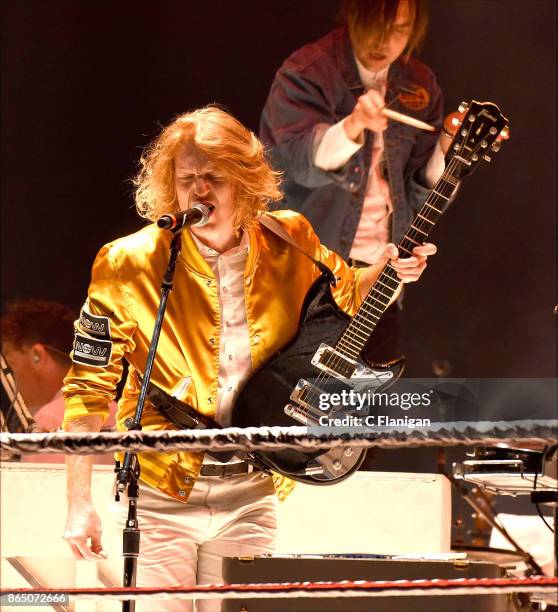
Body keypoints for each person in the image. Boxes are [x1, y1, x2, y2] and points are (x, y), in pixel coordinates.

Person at [62, 106, 436, 611]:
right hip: (159, 491)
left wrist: (392, 268)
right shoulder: (127, 263)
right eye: (186, 177)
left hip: (252, 489)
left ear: (242, 179)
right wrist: (78, 502)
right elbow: (88, 386)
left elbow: (346, 291)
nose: (199, 190)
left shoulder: (291, 237)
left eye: (213, 176)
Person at [260, 0, 459, 364]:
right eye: (377, 26)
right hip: (310, 278)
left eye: (400, 30)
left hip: (380, 275)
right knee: (285, 402)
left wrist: (448, 148)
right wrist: (353, 126)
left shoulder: (420, 84)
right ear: (353, 14)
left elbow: (419, 190)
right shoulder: (307, 71)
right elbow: (295, 162)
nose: (385, 41)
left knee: (365, 408)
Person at [1, 298, 115, 463]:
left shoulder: (51, 419)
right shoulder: (112, 408)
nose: (11, 378)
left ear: (37, 357)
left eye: (11, 364)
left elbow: (41, 488)